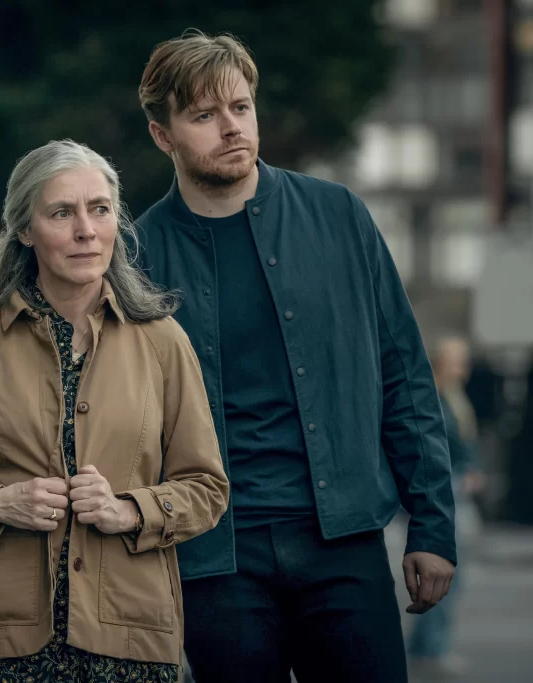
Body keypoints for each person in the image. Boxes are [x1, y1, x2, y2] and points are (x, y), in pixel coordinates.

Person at [132, 30, 457, 683]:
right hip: (214, 555)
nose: (231, 128)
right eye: (203, 115)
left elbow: (405, 376)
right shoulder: (137, 256)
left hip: (343, 540)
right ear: (163, 134)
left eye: (241, 107)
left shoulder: (339, 217)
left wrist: (433, 526)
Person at [0, 139, 229, 682]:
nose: (85, 230)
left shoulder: (164, 342)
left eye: (99, 209)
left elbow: (207, 488)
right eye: (61, 213)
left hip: (130, 641)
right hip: (2, 646)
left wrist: (130, 510)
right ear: (25, 230)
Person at [409, 336, 484, 677]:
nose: (462, 367)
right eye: (456, 359)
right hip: (446, 490)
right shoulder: (436, 397)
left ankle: (427, 645)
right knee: (445, 569)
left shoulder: (455, 396)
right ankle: (431, 647)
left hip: (458, 488)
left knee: (451, 571)